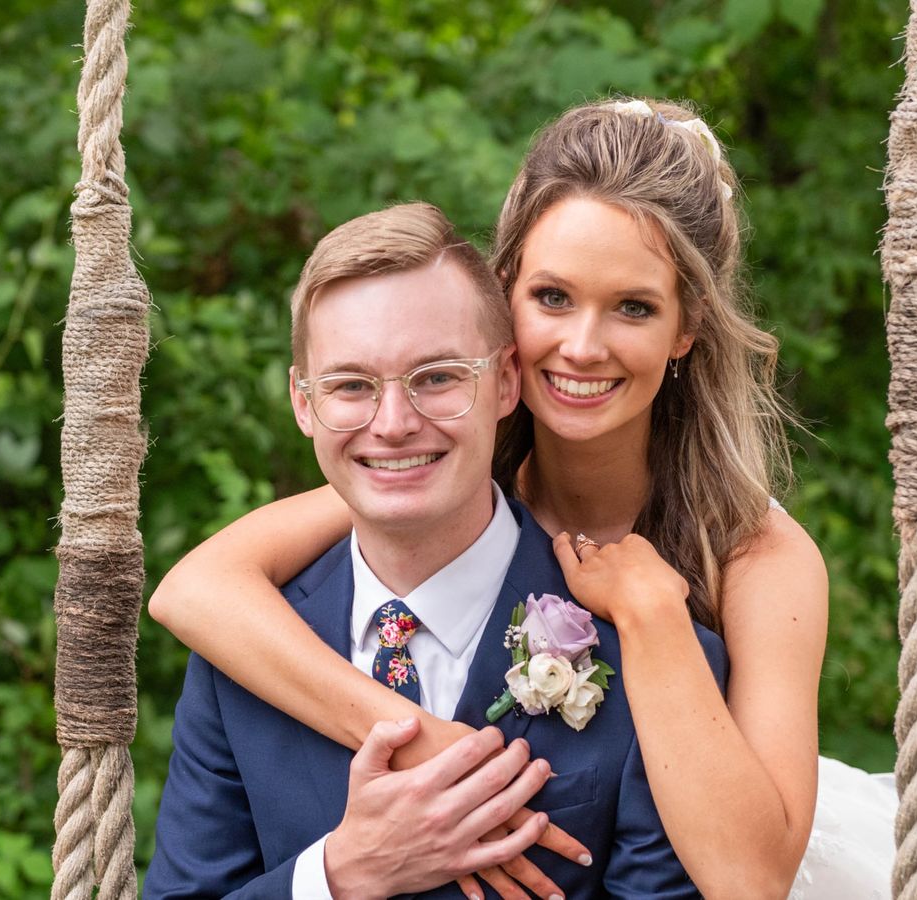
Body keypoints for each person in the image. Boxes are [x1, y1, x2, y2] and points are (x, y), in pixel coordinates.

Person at [149, 98, 917, 899]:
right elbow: (196, 591)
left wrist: (654, 617)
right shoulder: (432, 466)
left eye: (633, 307)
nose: (583, 346)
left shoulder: (753, 556)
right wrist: (437, 758)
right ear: (505, 291)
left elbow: (749, 879)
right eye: (552, 297)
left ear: (686, 327)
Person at [143, 201, 730, 899]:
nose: (393, 424)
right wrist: (340, 876)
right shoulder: (239, 655)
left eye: (437, 377)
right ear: (303, 403)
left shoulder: (648, 659)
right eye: (351, 385)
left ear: (506, 381)